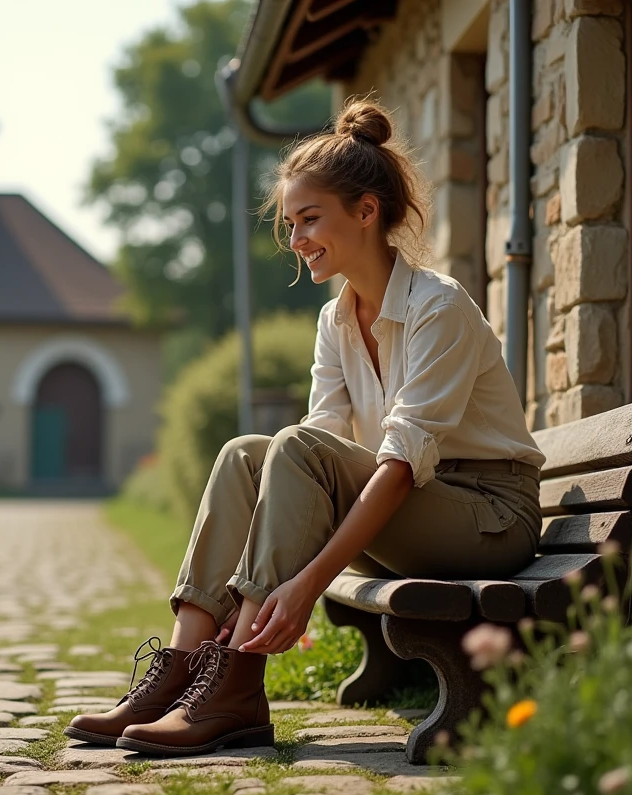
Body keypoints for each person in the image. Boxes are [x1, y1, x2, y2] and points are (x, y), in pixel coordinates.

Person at [64, 98, 545, 758]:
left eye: (310, 219)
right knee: (244, 453)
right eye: (290, 224)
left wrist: (307, 585)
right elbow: (319, 445)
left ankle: (234, 685)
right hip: (405, 509)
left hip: (486, 517)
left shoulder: (439, 308)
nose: (297, 241)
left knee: (290, 446)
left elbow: (399, 461)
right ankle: (178, 672)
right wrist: (290, 554)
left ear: (367, 212)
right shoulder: (335, 319)